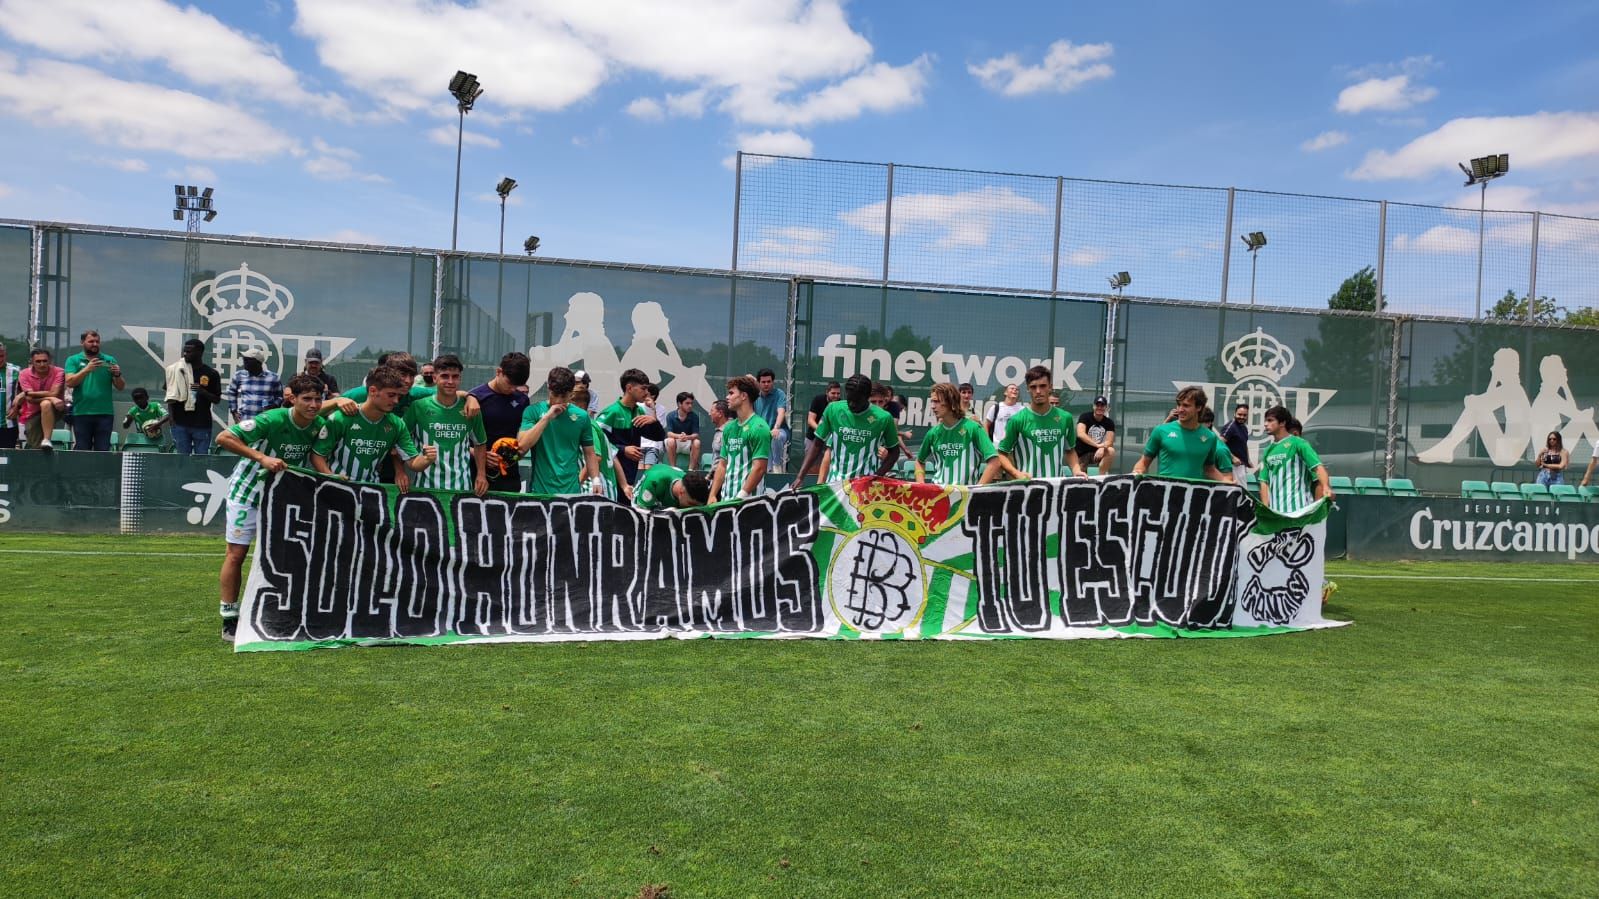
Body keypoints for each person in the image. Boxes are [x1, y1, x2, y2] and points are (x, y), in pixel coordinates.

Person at [215, 374, 327, 640]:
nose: (313, 405)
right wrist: (262, 456)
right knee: (236, 554)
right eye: (307, 399)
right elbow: (223, 437)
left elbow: (316, 456)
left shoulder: (318, 425)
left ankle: (278, 612)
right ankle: (229, 617)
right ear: (292, 398)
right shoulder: (272, 419)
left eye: (318, 399)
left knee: (285, 557)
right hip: (248, 494)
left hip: (281, 500)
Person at [311, 366, 436, 485]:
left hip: (371, 492)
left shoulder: (397, 424)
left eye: (399, 396)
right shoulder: (341, 418)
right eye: (391, 395)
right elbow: (317, 455)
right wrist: (332, 478)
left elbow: (413, 462)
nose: (396, 401)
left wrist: (426, 459)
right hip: (337, 488)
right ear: (372, 391)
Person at [790, 373, 898, 486]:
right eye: (849, 399)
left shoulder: (884, 418)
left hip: (866, 488)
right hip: (836, 485)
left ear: (866, 397)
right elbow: (817, 444)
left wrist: (877, 476)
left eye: (856, 401)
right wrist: (800, 476)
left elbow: (894, 452)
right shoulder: (833, 409)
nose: (852, 404)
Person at [404, 355, 488, 496]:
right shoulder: (418, 407)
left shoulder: (471, 408)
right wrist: (401, 471)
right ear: (435, 378)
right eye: (445, 376)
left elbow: (480, 443)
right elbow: (400, 440)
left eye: (455, 377)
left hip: (461, 487)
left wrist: (481, 474)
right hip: (425, 488)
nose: (450, 381)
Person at [518, 366, 602, 497]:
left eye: (563, 396)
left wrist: (596, 480)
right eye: (555, 395)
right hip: (540, 491)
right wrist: (546, 418)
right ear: (548, 389)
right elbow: (522, 447)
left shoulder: (582, 417)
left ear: (571, 394)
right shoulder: (533, 411)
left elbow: (590, 453)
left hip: (571, 492)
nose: (558, 401)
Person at [988, 366, 1084, 481]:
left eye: (1042, 386)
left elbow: (1070, 450)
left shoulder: (1065, 418)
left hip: (1057, 486)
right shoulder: (1017, 420)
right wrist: (1016, 473)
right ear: (1028, 389)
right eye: (1033, 387)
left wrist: (1076, 470)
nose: (1038, 391)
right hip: (1028, 489)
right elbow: (1002, 453)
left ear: (1050, 387)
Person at [1133, 386, 1234, 483]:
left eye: (1186, 405)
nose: (1180, 409)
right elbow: (1144, 462)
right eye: (1179, 405)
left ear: (1198, 407)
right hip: (1164, 495)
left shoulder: (1210, 437)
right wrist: (1137, 471)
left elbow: (1209, 469)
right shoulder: (1161, 431)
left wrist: (1228, 482)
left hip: (1194, 497)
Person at [469, 351, 532, 493]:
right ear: (499, 372)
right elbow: (459, 440)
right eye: (510, 383)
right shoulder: (476, 397)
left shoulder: (522, 400)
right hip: (477, 475)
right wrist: (479, 454)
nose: (512, 389)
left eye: (517, 386)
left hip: (509, 476)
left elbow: (523, 437)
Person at [916, 382, 997, 486]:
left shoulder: (973, 428)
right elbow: (919, 461)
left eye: (937, 402)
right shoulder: (933, 433)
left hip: (966, 497)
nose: (932, 406)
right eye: (932, 402)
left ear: (951, 402)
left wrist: (976, 490)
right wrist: (921, 485)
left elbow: (995, 461)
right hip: (938, 497)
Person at [595, 367, 666, 486]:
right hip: (610, 476)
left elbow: (659, 437)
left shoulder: (640, 412)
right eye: (643, 388)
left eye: (647, 389)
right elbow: (597, 442)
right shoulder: (611, 412)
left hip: (630, 475)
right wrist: (623, 450)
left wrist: (654, 421)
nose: (646, 393)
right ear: (629, 388)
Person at [1258, 405, 1331, 514]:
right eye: (1265, 420)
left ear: (1282, 423)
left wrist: (1326, 486)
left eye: (1270, 420)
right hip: (1277, 512)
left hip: (1299, 510)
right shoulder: (1268, 450)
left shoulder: (1298, 443)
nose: (1265, 424)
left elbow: (1318, 468)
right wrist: (1266, 508)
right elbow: (1264, 482)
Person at [571, 372, 629, 502]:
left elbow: (596, 458)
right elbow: (613, 456)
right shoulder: (591, 425)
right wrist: (624, 485)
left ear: (577, 406)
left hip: (594, 487)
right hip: (605, 487)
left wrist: (576, 483)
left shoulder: (589, 427)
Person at [63, 329, 125, 451]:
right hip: (82, 412)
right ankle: (81, 471)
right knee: (82, 448)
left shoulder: (109, 360)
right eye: (91, 341)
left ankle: (100, 471)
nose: (95, 344)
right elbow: (70, 382)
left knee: (102, 449)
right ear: (82, 342)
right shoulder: (73, 360)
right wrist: (87, 369)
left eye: (97, 341)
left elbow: (120, 387)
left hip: (105, 413)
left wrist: (117, 375)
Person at [712, 375, 771, 501]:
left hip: (750, 503)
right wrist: (712, 494)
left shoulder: (759, 427)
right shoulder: (728, 428)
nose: (727, 397)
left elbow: (759, 468)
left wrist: (740, 497)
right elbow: (722, 465)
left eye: (731, 393)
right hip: (726, 500)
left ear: (744, 396)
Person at [165, 338, 222, 456]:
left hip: (201, 423)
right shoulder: (177, 370)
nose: (185, 354)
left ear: (200, 352)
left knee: (201, 458)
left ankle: (199, 475)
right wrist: (171, 418)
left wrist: (202, 391)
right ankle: (183, 475)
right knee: (182, 459)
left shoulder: (211, 373)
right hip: (180, 423)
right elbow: (171, 395)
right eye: (184, 351)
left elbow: (216, 399)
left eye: (189, 351)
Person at [16, 347, 66, 452]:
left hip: (57, 408)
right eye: (38, 361)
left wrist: (28, 393)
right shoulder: (24, 373)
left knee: (46, 404)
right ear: (32, 362)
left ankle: (47, 439)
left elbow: (55, 393)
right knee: (35, 445)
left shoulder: (59, 372)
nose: (42, 364)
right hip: (33, 411)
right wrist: (52, 397)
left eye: (44, 361)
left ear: (50, 361)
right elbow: (30, 399)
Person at [224, 347, 282, 425]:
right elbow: (231, 392)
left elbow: (279, 397)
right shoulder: (239, 375)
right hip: (245, 420)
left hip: (266, 420)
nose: (244, 361)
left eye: (248, 360)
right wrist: (234, 411)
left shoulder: (273, 377)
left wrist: (272, 407)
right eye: (244, 359)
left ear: (258, 362)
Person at [753, 368, 790, 473]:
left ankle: (777, 466)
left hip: (779, 430)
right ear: (759, 383)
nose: (766, 384)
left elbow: (781, 412)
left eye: (769, 382)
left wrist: (776, 427)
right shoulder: (754, 397)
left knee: (776, 436)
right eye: (763, 382)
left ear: (773, 382)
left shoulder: (779, 394)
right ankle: (767, 470)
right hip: (762, 432)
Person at [632, 464, 712, 511]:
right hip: (641, 503)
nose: (691, 509)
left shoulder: (686, 478)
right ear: (681, 492)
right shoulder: (653, 482)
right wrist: (665, 513)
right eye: (690, 504)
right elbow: (641, 513)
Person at [1075, 395, 1117, 474]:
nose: (1100, 408)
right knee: (1080, 476)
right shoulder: (1085, 416)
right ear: (1093, 406)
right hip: (1082, 452)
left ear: (1106, 408)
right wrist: (1097, 445)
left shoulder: (1109, 422)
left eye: (1102, 405)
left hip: (1097, 453)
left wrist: (1102, 448)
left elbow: (1109, 441)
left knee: (1111, 451)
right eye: (1097, 405)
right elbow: (1080, 434)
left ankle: (1101, 476)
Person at [663, 391, 702, 471]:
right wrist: (679, 436)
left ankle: (690, 469)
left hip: (688, 443)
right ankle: (673, 468)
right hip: (675, 442)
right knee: (670, 440)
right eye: (687, 403)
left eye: (691, 403)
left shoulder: (694, 416)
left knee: (697, 442)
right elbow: (669, 433)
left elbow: (696, 434)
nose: (690, 406)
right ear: (679, 404)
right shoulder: (670, 415)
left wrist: (686, 437)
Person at [806, 381, 841, 459]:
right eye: (833, 393)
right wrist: (822, 431)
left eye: (838, 393)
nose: (836, 396)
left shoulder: (840, 404)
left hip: (831, 441)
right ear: (827, 392)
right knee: (811, 465)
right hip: (813, 437)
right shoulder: (818, 400)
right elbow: (810, 420)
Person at [638, 382, 667, 472]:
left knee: (648, 470)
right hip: (639, 445)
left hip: (653, 445)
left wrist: (653, 409)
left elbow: (658, 428)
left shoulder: (661, 409)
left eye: (646, 393)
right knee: (639, 470)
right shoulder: (638, 406)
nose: (643, 394)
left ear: (653, 396)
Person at [1219, 403, 1252, 471]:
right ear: (1235, 414)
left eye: (1244, 415)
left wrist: (1248, 460)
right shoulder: (1231, 426)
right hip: (1231, 465)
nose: (1242, 417)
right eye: (1239, 414)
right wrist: (1232, 457)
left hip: (1242, 465)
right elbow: (1220, 443)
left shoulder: (1244, 428)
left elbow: (1244, 444)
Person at [0, 343, 21, 449]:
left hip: (8, 424)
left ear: (6, 355)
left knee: (5, 460)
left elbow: (25, 393)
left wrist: (17, 407)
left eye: (1, 356)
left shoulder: (16, 371)